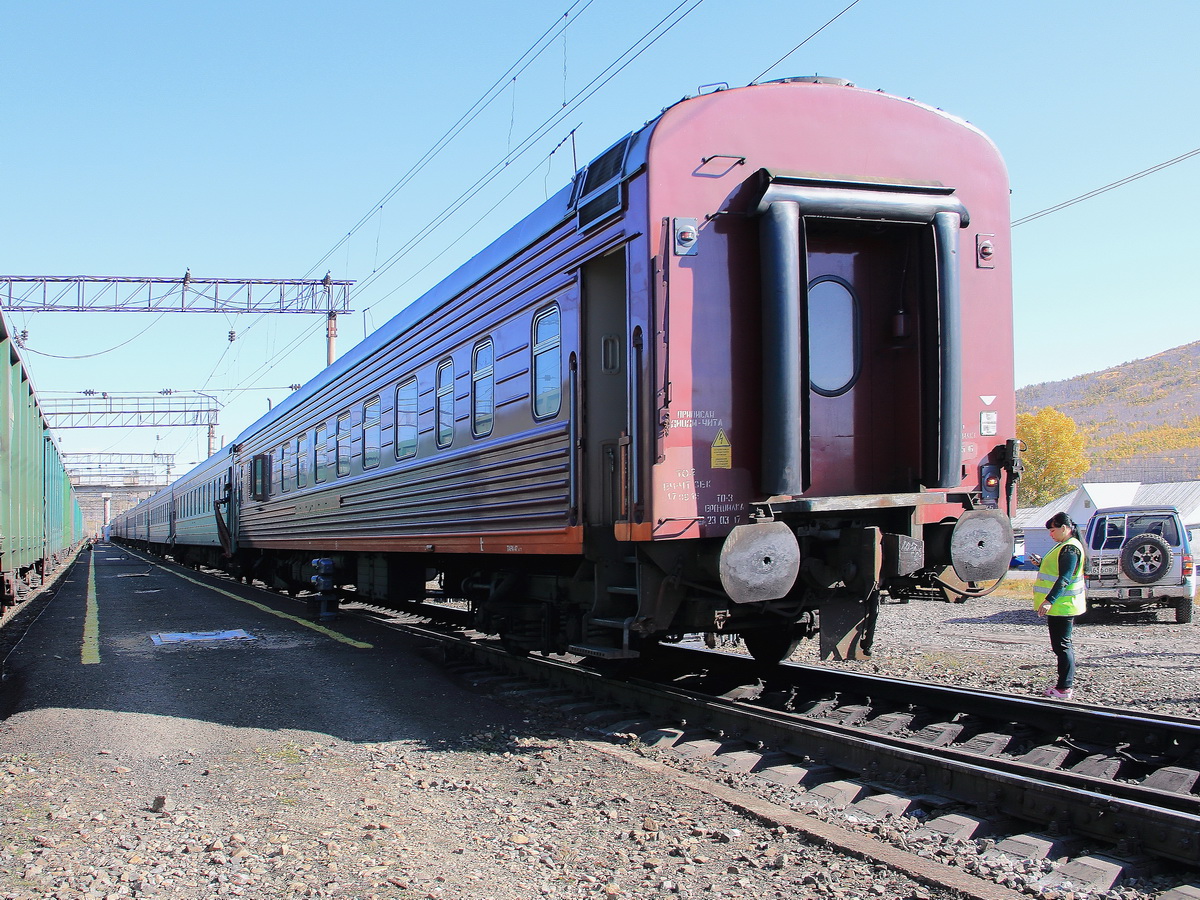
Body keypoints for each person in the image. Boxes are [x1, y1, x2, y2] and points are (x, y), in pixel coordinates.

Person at [1034, 512, 1087, 699]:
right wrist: (1040, 563)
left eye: (1053, 529)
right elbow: (1058, 571)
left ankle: (1064, 687)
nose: (1051, 534)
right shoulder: (1065, 546)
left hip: (1063, 605)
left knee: (1063, 646)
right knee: (1061, 646)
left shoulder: (1070, 549)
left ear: (1064, 528)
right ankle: (1063, 686)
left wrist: (1050, 600)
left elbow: (1065, 578)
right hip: (1061, 605)